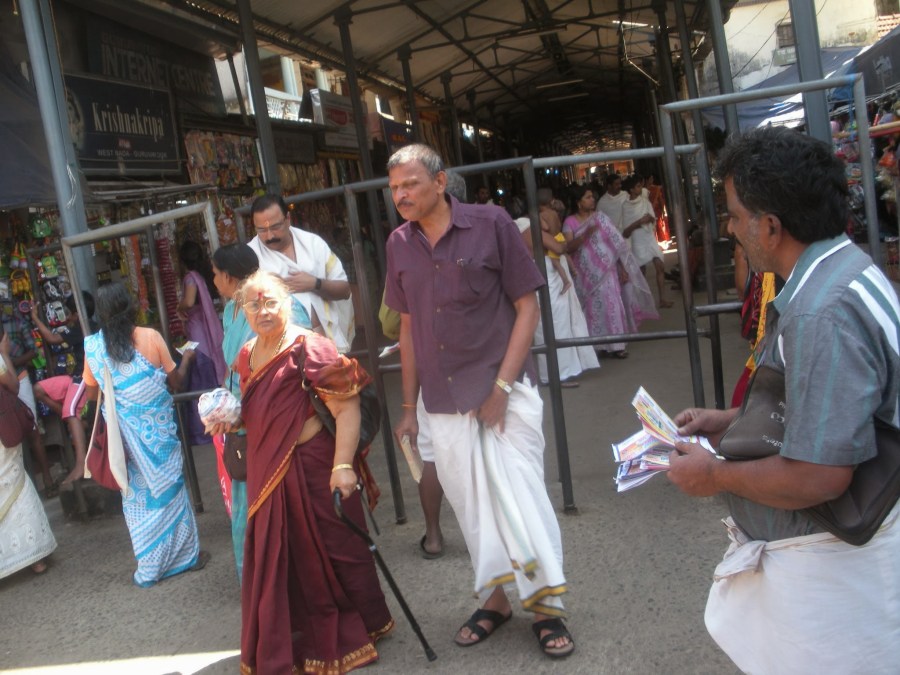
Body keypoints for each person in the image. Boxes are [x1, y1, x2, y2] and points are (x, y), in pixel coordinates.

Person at [667, 127, 900, 672]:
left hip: (833, 579)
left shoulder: (821, 312)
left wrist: (714, 475)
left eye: (734, 215)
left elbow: (819, 476)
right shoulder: (844, 268)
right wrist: (734, 420)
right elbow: (835, 403)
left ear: (770, 227)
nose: (729, 229)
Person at [385, 144, 574, 659]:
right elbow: (407, 329)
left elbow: (527, 307)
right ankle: (496, 600)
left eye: (410, 184)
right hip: (442, 401)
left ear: (439, 181)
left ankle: (546, 609)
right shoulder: (399, 243)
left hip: (502, 390)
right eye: (394, 187)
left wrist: (501, 390)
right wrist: (408, 409)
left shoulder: (491, 224)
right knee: (470, 506)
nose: (401, 195)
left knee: (522, 501)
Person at [227, 270, 392, 674]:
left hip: (315, 465)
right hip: (269, 471)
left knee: (340, 550)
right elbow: (258, 412)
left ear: (287, 302)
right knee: (281, 558)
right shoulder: (247, 354)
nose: (263, 311)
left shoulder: (309, 347)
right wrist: (229, 421)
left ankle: (364, 624)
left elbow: (347, 408)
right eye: (254, 305)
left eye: (271, 302)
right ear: (243, 311)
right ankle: (293, 638)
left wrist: (342, 466)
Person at [83, 283, 205, 587]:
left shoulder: (93, 348)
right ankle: (185, 557)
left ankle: (150, 568)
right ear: (130, 307)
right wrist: (186, 359)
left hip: (124, 442)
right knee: (172, 489)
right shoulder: (151, 337)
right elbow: (176, 383)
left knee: (138, 500)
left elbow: (91, 394)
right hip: (160, 435)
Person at [210, 243, 310, 580]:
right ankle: (260, 582)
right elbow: (234, 367)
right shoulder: (231, 310)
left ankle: (287, 582)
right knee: (250, 504)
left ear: (228, 276)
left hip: (279, 420)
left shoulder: (283, 306)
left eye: (215, 274)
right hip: (242, 423)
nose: (213, 280)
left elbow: (302, 355)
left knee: (286, 504)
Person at [248, 194, 355, 353]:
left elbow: (344, 290)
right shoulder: (250, 255)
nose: (270, 236)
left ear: (288, 219)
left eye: (275, 227)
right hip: (283, 351)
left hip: (327, 342)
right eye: (261, 230)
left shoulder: (313, 244)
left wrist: (315, 284)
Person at [562, 185, 657, 359]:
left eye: (592, 196)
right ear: (578, 202)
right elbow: (568, 247)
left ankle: (617, 345)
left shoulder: (601, 218)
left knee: (612, 305)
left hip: (607, 271)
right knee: (592, 309)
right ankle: (598, 346)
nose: (592, 199)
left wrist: (622, 268)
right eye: (587, 197)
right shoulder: (570, 222)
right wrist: (585, 236)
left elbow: (616, 244)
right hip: (585, 275)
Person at [515, 191, 599, 385]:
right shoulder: (529, 227)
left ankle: (556, 373)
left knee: (548, 326)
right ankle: (558, 375)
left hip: (538, 277)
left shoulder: (517, 226)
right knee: (556, 326)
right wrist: (560, 241)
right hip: (546, 278)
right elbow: (559, 247)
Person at [0, 328, 56, 578]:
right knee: (17, 484)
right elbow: (13, 386)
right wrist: (4, 354)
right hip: (4, 434)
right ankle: (35, 559)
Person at [31, 291, 96, 485]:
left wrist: (35, 318)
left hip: (84, 376)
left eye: (69, 313)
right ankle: (77, 422)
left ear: (77, 314)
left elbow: (51, 339)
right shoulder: (85, 326)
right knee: (38, 389)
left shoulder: (82, 327)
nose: (67, 317)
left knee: (70, 410)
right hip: (74, 376)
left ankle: (80, 464)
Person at [177, 240, 227, 445]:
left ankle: (203, 433)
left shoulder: (190, 277)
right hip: (205, 336)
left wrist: (179, 307)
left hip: (199, 339)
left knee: (201, 385)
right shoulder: (203, 275)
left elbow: (189, 301)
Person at [2, 309, 54, 497]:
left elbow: (33, 352)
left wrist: (7, 360)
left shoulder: (16, 322)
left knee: (32, 429)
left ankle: (47, 479)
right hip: (6, 380)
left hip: (18, 377)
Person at [620, 175, 673, 309]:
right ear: (631, 190)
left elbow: (653, 219)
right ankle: (643, 303)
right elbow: (625, 232)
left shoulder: (645, 202)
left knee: (660, 265)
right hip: (637, 240)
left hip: (649, 237)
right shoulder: (625, 207)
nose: (640, 188)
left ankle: (662, 299)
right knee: (641, 272)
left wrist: (649, 219)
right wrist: (639, 222)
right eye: (638, 186)